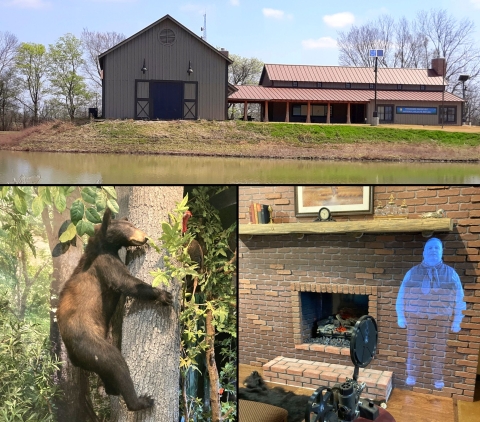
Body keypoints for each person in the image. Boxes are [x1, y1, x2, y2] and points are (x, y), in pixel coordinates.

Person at [395, 237, 465, 389]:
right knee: (414, 349)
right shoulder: (412, 273)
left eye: (437, 248)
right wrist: (400, 315)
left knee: (438, 350)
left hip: (441, 320)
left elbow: (460, 298)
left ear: (441, 252)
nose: (433, 250)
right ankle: (412, 376)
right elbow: (401, 295)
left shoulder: (451, 274)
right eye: (430, 248)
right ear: (424, 252)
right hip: (415, 319)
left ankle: (437, 378)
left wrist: (457, 320)